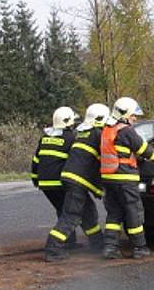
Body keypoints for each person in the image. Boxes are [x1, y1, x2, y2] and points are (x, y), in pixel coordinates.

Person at [100, 97, 154, 260]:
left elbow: (120, 151)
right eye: (133, 115)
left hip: (109, 178)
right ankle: (139, 247)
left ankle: (110, 248)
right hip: (125, 178)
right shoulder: (126, 130)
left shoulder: (107, 129)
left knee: (114, 214)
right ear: (125, 114)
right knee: (133, 212)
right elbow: (143, 149)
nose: (135, 119)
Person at [44, 103, 109, 262]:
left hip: (71, 179)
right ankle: (53, 248)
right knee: (71, 216)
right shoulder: (96, 134)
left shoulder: (82, 133)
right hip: (77, 181)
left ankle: (97, 243)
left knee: (88, 212)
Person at [31, 106, 79, 219]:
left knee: (61, 210)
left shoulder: (45, 138)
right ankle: (65, 236)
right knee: (67, 214)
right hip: (59, 183)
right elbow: (76, 161)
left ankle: (65, 235)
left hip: (44, 183)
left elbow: (36, 161)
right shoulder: (70, 138)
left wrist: (35, 179)